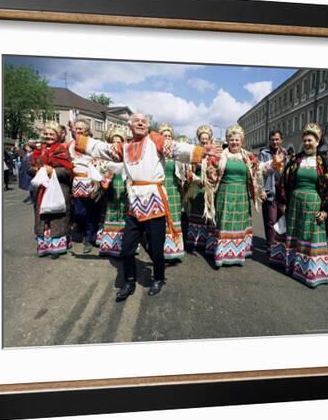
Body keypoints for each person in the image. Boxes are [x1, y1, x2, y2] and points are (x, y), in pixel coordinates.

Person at [73, 113, 221, 301]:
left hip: (154, 202)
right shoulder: (124, 147)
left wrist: (200, 151)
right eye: (136, 121)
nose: (141, 123)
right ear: (130, 126)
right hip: (134, 204)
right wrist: (79, 139)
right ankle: (129, 281)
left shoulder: (155, 140)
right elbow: (102, 148)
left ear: (148, 125)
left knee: (157, 249)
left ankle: (158, 278)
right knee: (126, 248)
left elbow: (176, 148)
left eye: (144, 121)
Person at [269, 123, 328, 287]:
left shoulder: (324, 162)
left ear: (317, 141)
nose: (307, 143)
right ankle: (292, 266)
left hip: (314, 205)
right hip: (294, 204)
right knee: (293, 235)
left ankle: (310, 272)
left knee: (310, 236)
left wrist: (326, 209)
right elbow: (284, 181)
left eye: (310, 140)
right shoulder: (295, 159)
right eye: (305, 140)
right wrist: (283, 202)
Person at [207, 125, 267, 267]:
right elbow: (210, 172)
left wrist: (260, 190)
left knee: (240, 223)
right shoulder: (220, 156)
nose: (234, 142)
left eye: (237, 140)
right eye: (231, 139)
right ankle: (221, 255)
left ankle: (237, 254)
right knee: (224, 223)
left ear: (242, 141)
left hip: (241, 197)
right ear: (227, 140)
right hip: (224, 195)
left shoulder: (248, 156)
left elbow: (259, 170)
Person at [29, 121, 73, 259]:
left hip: (59, 188)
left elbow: (68, 171)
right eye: (46, 134)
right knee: (43, 216)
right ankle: (44, 246)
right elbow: (28, 168)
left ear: (58, 135)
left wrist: (53, 171)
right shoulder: (37, 151)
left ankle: (57, 247)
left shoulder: (62, 150)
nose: (48, 136)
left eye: (51, 134)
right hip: (41, 190)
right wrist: (36, 170)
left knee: (57, 216)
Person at [68, 118, 102, 253]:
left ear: (87, 130)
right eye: (76, 128)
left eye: (81, 128)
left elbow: (100, 161)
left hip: (91, 182)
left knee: (91, 212)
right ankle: (83, 230)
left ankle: (89, 238)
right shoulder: (70, 145)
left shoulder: (93, 144)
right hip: (76, 183)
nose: (78, 130)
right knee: (78, 212)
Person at [96, 127, 127, 257]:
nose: (116, 144)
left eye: (119, 142)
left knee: (123, 214)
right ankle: (109, 245)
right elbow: (100, 171)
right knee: (110, 213)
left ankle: (124, 246)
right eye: (113, 142)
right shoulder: (106, 156)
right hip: (111, 188)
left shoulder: (127, 155)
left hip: (124, 187)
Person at [185, 125, 216, 253]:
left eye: (206, 138)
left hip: (209, 190)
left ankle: (207, 243)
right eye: (202, 138)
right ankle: (194, 241)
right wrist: (196, 178)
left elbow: (218, 172)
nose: (204, 141)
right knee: (196, 214)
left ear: (210, 139)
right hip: (196, 189)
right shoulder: (194, 154)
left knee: (208, 216)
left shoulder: (214, 154)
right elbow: (188, 172)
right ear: (199, 139)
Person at [157, 123, 185, 261]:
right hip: (158, 188)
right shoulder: (155, 152)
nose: (167, 137)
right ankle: (159, 249)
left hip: (173, 190)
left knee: (173, 218)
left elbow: (182, 173)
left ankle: (174, 249)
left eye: (169, 135)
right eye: (164, 135)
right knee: (159, 219)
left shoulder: (176, 154)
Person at [258, 130, 287, 251]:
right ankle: (270, 245)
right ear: (269, 140)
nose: (275, 142)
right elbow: (259, 173)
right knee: (270, 220)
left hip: (282, 192)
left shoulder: (285, 153)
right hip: (269, 190)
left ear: (281, 140)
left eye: (277, 139)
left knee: (281, 219)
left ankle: (280, 245)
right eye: (272, 139)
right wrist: (262, 190)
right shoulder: (264, 153)